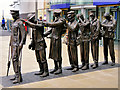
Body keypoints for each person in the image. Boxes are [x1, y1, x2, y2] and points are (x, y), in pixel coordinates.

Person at [43, 9, 66, 75]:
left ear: (57, 14)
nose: (53, 14)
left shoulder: (61, 20)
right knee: (53, 54)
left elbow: (54, 25)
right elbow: (51, 29)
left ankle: (59, 68)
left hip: (57, 38)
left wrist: (46, 24)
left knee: (58, 54)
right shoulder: (56, 20)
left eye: (54, 13)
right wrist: (45, 34)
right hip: (53, 38)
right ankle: (55, 67)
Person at [9, 10, 27, 84]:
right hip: (13, 43)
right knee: (14, 59)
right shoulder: (14, 22)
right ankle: (17, 75)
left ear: (16, 14)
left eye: (13, 14)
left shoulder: (20, 23)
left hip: (17, 44)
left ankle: (18, 77)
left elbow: (24, 33)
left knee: (15, 59)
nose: (12, 16)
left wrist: (21, 43)